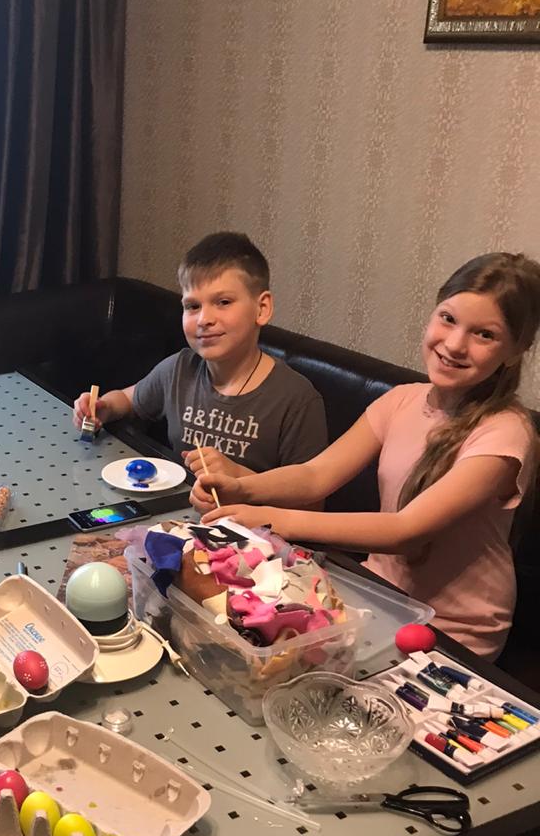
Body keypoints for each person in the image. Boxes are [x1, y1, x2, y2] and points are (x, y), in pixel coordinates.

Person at [191, 252, 540, 660]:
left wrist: (271, 519)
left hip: (454, 629)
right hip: (380, 595)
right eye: (448, 319)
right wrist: (241, 488)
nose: (455, 344)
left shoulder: (505, 432)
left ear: (515, 350)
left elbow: (405, 530)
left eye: (484, 335)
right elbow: (317, 475)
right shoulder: (401, 400)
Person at [72, 231, 328, 478]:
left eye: (223, 302)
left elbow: (308, 501)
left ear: (262, 309)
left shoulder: (296, 399)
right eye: (192, 306)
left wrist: (238, 476)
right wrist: (102, 408)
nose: (204, 319)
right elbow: (127, 399)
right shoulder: (178, 369)